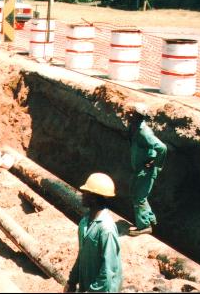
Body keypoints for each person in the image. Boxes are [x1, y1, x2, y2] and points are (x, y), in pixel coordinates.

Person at [65, 173, 123, 293]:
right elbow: (82, 255)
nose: (82, 195)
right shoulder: (85, 222)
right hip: (87, 286)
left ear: (94, 198)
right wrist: (71, 281)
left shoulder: (107, 229)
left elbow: (108, 270)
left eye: (86, 192)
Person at [127, 103, 167, 236]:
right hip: (140, 168)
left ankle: (145, 226)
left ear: (137, 116)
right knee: (135, 193)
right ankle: (148, 219)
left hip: (146, 170)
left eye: (132, 113)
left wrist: (156, 164)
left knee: (139, 197)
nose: (129, 114)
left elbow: (162, 148)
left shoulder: (143, 132)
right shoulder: (135, 127)